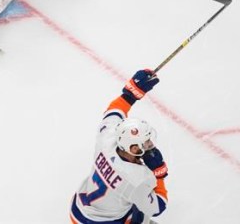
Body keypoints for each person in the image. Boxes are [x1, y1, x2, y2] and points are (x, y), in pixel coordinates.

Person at [70, 69, 168, 224]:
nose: (151, 145)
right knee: (141, 215)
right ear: (134, 149)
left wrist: (130, 94)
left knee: (131, 201)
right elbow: (158, 207)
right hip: (102, 222)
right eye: (146, 142)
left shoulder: (108, 138)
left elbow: (114, 110)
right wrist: (159, 173)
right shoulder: (138, 179)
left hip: (79, 209)